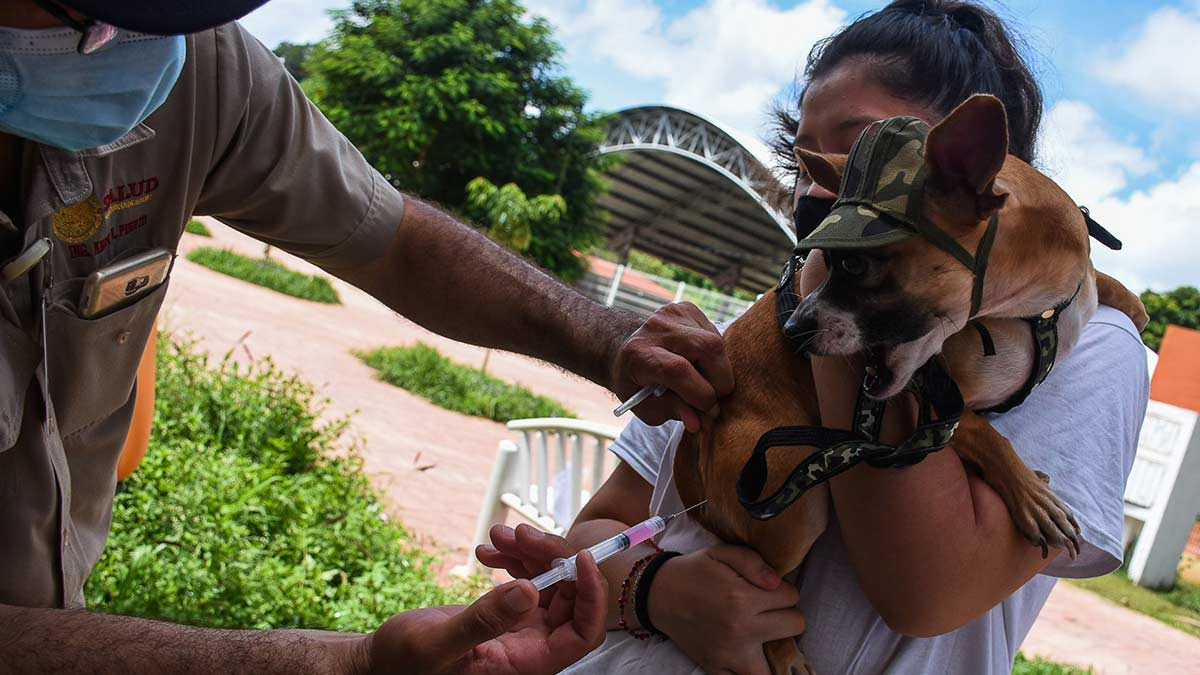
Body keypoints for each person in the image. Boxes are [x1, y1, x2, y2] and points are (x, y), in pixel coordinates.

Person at [0, 0, 734, 671]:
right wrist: (344, 663)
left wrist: (605, 335)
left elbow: (394, 240)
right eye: (96, 11)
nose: (141, 39)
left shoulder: (195, 60)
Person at [560, 2, 1149, 673]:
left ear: (970, 164)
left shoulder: (1093, 349)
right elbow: (596, 526)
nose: (820, 190)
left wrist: (841, 296)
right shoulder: (773, 317)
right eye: (808, 159)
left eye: (861, 148)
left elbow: (925, 592)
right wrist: (653, 589)